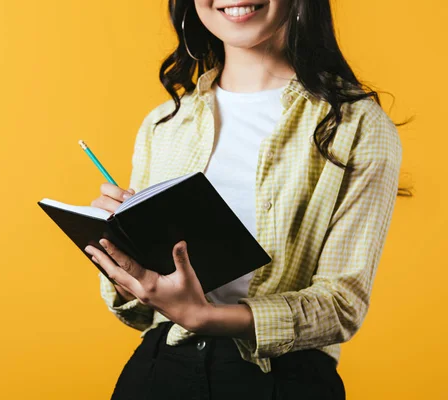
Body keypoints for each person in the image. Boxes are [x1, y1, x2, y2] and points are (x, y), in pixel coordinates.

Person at [84, 0, 406, 399]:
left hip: (281, 380)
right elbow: (140, 310)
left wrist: (208, 317)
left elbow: (341, 305)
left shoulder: (358, 125)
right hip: (158, 373)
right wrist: (124, 256)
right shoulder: (164, 124)